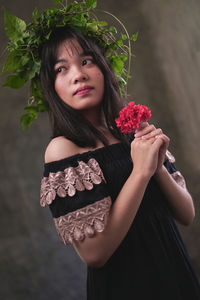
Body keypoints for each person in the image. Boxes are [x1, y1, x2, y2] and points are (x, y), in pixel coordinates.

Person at [2, 1, 200, 299]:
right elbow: (95, 254)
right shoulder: (63, 150)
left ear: (103, 68)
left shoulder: (133, 131)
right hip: (127, 287)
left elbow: (186, 215)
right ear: (50, 86)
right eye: (61, 69)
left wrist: (156, 166)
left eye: (86, 61)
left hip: (176, 274)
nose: (78, 75)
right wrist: (142, 172)